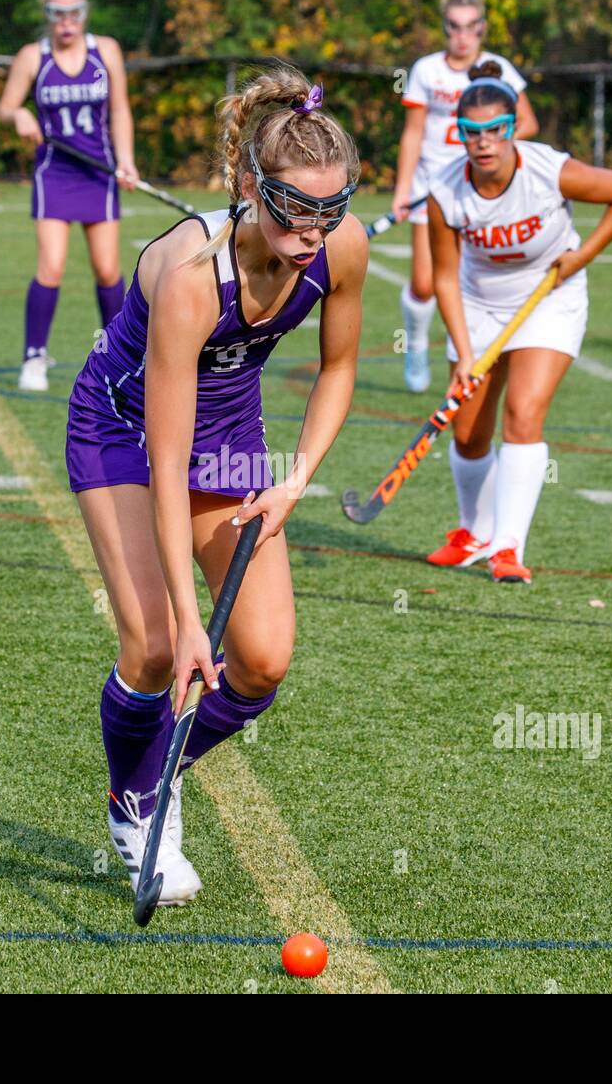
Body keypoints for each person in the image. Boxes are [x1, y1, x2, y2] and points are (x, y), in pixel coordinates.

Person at [65, 68, 368, 905]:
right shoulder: (188, 277)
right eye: (293, 210)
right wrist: (195, 623)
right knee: (161, 649)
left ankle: (152, 771)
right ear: (247, 187)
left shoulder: (342, 247)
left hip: (233, 440)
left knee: (264, 662)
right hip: (125, 434)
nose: (312, 232)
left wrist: (295, 481)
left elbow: (339, 368)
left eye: (330, 211)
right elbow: (164, 463)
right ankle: (135, 809)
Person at [424, 61, 612, 583]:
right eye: (472, 133)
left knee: (522, 412)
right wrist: (463, 353)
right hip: (479, 305)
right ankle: (473, 533)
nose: (484, 144)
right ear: (461, 134)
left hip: (550, 295)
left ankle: (507, 548)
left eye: (495, 131)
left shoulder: (549, 170)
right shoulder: (446, 192)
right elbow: (445, 278)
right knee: (469, 433)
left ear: (511, 129)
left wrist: (581, 255)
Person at [392, 0, 538, 393]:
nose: (462, 35)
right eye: (454, 26)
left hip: (479, 189)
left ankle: (470, 351)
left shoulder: (498, 70)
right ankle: (416, 343)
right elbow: (413, 134)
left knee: (469, 276)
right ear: (445, 28)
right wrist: (403, 190)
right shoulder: (426, 70)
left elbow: (527, 123)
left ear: (482, 28)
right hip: (432, 189)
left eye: (470, 26)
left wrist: (486, 148)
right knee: (424, 283)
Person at [0, 0, 139, 392]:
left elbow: (120, 111)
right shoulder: (31, 56)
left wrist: (126, 160)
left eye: (73, 14)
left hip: (99, 172)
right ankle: (34, 357)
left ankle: (120, 358)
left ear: (84, 13)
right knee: (51, 266)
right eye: (57, 15)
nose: (65, 23)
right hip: (54, 173)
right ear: (47, 15)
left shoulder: (106, 51)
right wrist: (19, 114)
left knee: (108, 270)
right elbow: (5, 107)